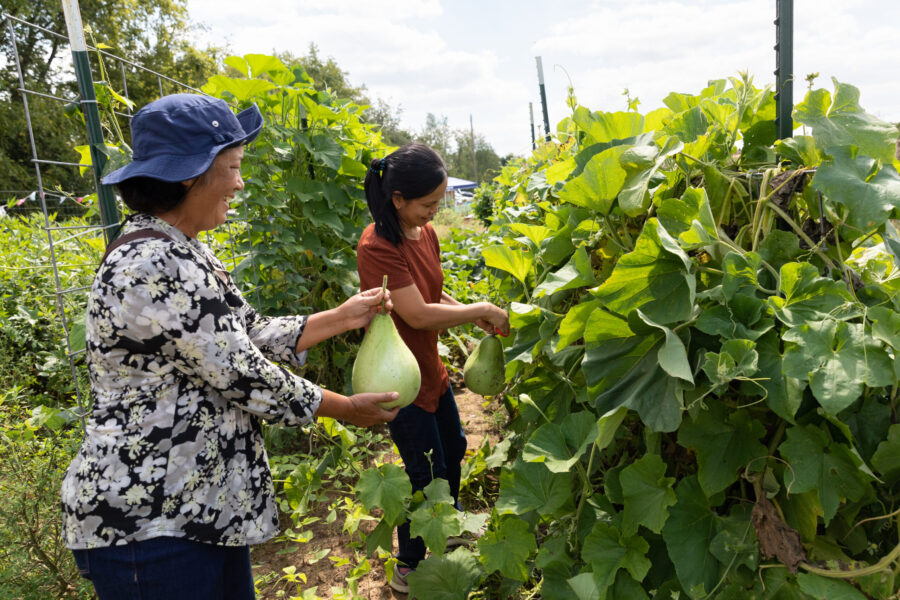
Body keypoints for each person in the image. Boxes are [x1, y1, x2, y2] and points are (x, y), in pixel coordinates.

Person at [60, 93, 401, 600]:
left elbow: (246, 333)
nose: (240, 183)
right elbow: (244, 373)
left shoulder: (182, 247)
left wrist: (342, 316)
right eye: (234, 167)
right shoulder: (156, 263)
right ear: (188, 175)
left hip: (199, 508)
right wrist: (343, 408)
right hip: (150, 520)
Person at [356, 142, 510, 593]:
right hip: (397, 380)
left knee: (455, 447)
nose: (433, 212)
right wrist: (481, 306)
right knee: (425, 473)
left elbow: (428, 294)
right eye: (427, 205)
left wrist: (467, 310)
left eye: (438, 203)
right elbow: (416, 314)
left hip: (429, 367)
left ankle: (447, 525)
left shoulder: (426, 234)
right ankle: (409, 562)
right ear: (397, 199)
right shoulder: (377, 245)